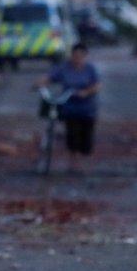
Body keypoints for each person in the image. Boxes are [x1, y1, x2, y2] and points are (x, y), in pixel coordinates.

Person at [37, 42, 101, 174]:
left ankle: (83, 158)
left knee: (86, 139)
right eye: (75, 56)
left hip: (87, 109)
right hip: (70, 108)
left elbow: (97, 85)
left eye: (80, 56)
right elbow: (50, 78)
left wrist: (85, 92)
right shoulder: (65, 68)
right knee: (72, 135)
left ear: (85, 57)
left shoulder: (91, 69)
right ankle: (74, 162)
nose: (77, 59)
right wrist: (38, 83)